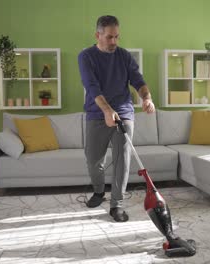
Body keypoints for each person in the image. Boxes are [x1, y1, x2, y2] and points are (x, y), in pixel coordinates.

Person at [78, 15, 155, 222]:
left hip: (124, 112)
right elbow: (92, 86)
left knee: (122, 160)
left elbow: (138, 80)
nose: (114, 42)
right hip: (97, 113)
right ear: (98, 35)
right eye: (109, 37)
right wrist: (106, 110)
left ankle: (117, 205)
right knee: (93, 160)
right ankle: (99, 191)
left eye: (117, 37)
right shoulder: (86, 57)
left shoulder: (124, 56)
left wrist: (146, 98)